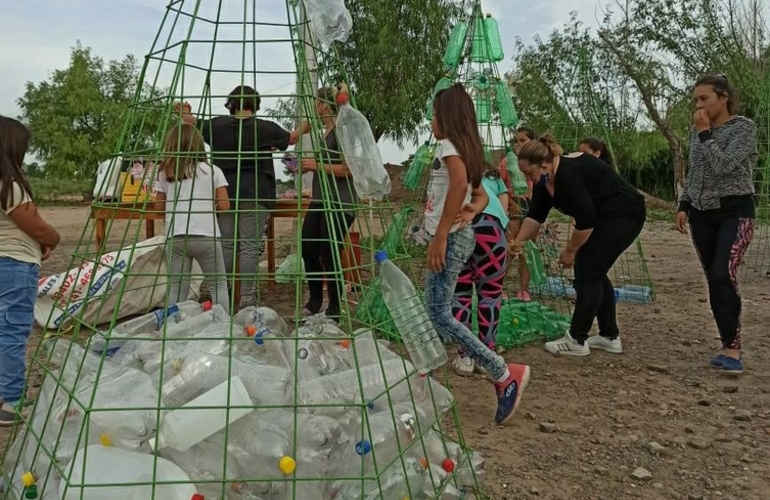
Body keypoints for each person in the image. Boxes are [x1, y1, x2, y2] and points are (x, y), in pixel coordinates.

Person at [424, 83, 529, 425]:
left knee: (440, 314)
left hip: (450, 240)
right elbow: (481, 194)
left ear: (447, 117)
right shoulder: (464, 149)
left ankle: (502, 372)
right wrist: (472, 210)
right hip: (456, 236)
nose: (431, 121)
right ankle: (423, 378)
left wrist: (441, 235)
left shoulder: (448, 145)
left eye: (434, 115)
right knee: (435, 311)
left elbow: (457, 185)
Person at [512, 133, 646, 356]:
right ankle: (609, 336)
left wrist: (570, 251)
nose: (528, 178)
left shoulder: (568, 174)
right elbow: (535, 216)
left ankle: (577, 339)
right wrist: (516, 244)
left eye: (529, 173)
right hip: (603, 217)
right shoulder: (545, 182)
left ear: (544, 164)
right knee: (594, 270)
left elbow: (586, 222)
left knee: (587, 270)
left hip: (624, 214)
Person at [176, 86, 303, 309]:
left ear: (231, 104)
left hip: (225, 193)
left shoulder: (216, 126)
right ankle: (247, 300)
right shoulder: (265, 128)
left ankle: (222, 297)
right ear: (255, 105)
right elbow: (292, 138)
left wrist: (183, 110)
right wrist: (308, 124)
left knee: (226, 245)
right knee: (250, 247)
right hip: (256, 192)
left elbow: (190, 122)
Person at [675, 74, 757, 375]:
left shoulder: (743, 128)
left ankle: (734, 349)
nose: (699, 105)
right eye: (696, 100)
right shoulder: (695, 131)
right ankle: (726, 344)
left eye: (704, 98)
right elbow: (696, 171)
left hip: (735, 211)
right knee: (713, 277)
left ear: (723, 98)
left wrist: (706, 134)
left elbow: (725, 166)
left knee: (724, 273)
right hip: (701, 213)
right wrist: (684, 205)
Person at [0, 116, 61, 426]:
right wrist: (52, 239)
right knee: (12, 331)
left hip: (9, 260)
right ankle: (11, 402)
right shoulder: (7, 185)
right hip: (13, 265)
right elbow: (35, 224)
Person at [154, 124, 231, 314]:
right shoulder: (212, 171)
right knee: (218, 285)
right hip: (207, 235)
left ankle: (172, 329)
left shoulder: (165, 173)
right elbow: (225, 205)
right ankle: (223, 326)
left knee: (176, 288)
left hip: (176, 236)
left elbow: (158, 209)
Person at [299, 87, 357, 321]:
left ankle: (334, 308)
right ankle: (314, 302)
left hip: (340, 202)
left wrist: (316, 166)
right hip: (321, 199)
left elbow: (351, 169)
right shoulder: (326, 131)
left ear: (323, 104)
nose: (314, 106)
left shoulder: (342, 130)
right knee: (308, 247)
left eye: (315, 101)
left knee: (329, 251)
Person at [451, 162, 510, 376]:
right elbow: (505, 209)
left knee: (460, 293)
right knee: (491, 295)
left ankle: (465, 356)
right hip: (491, 231)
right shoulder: (495, 180)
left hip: (459, 226)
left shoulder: (453, 170)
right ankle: (487, 356)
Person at [502, 125, 536, 301]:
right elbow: (499, 185)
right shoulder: (508, 161)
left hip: (533, 206)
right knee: (510, 247)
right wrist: (510, 202)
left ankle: (524, 290)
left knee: (527, 251)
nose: (518, 144)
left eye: (523, 140)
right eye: (516, 141)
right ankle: (498, 287)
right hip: (513, 205)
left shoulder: (537, 161)